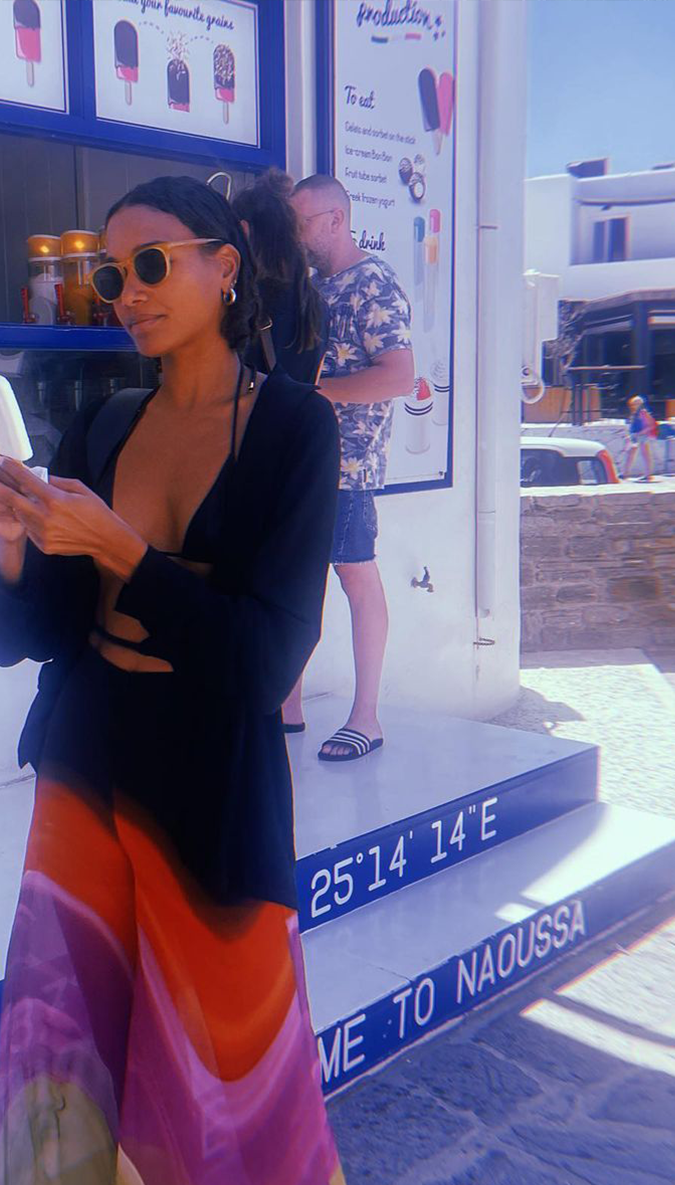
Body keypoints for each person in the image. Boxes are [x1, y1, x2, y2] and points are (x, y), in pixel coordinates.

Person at [0, 175, 381, 1185]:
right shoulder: (104, 422)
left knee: (232, 1105)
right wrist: (15, 550)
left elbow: (264, 661)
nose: (126, 292)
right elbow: (34, 633)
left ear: (225, 267)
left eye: (152, 265)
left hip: (212, 804)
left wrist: (125, 551)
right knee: (69, 1085)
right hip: (85, 784)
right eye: (111, 273)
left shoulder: (297, 427)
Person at [287, 174, 415, 762]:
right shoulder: (315, 286)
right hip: (306, 464)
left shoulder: (374, 284)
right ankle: (287, 705)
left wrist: (317, 393)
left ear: (337, 219)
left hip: (349, 466)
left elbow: (397, 376)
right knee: (295, 579)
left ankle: (368, 718)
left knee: (356, 578)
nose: (297, 233)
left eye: (304, 221)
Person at [231, 167, 329, 388]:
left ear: (243, 230)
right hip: (292, 421)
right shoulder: (314, 303)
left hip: (247, 420)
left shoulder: (239, 301)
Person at [619, 394, 657, 481]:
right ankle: (625, 473)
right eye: (633, 403)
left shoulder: (643, 413)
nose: (633, 405)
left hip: (642, 435)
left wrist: (640, 433)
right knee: (630, 453)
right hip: (635, 435)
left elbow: (651, 426)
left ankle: (648, 475)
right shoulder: (635, 413)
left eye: (635, 403)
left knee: (645, 455)